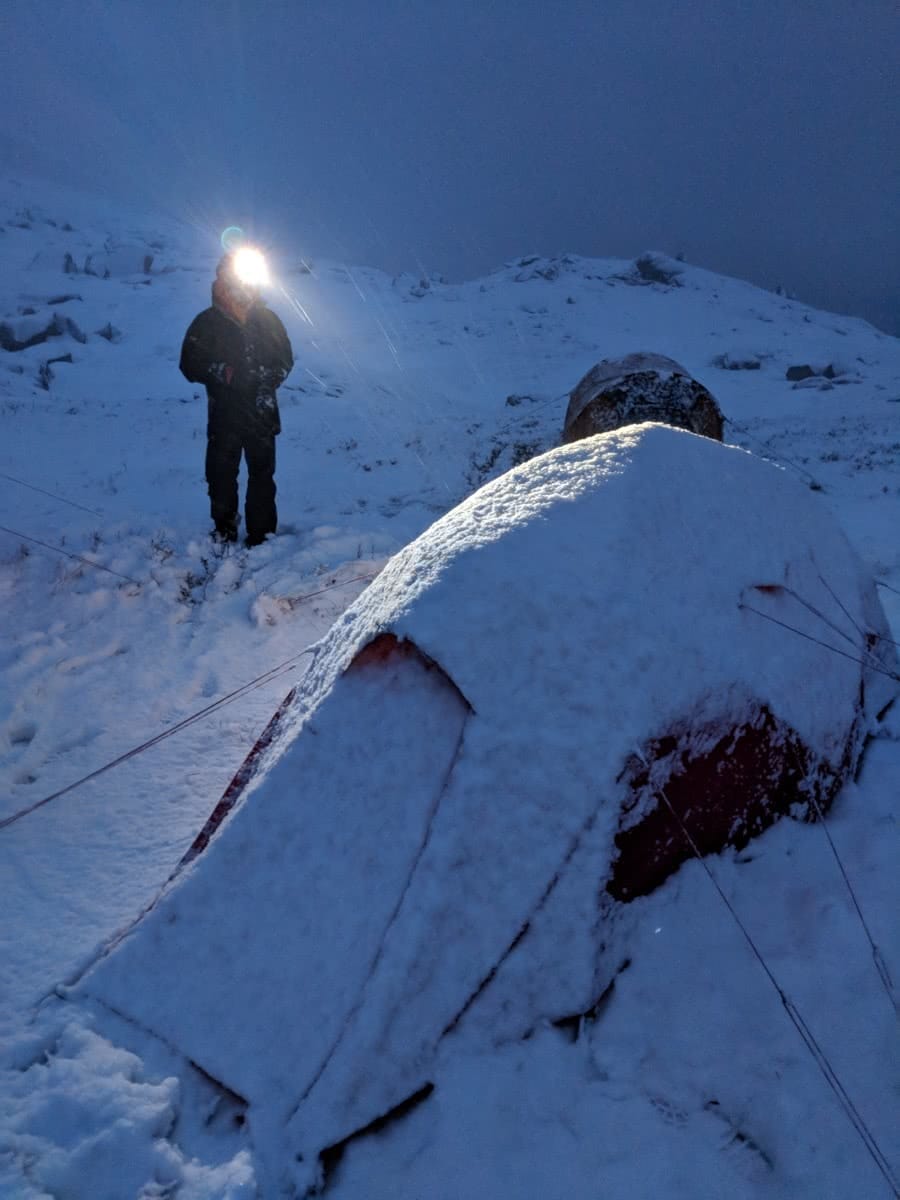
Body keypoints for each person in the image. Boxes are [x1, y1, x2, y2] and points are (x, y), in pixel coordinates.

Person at [179, 251, 294, 546]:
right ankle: (224, 528)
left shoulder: (268, 320)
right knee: (220, 475)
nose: (240, 288)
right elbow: (189, 363)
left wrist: (267, 379)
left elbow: (285, 360)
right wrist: (223, 373)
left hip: (261, 412)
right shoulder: (207, 322)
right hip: (225, 413)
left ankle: (262, 534)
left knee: (262, 476)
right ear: (222, 283)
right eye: (232, 281)